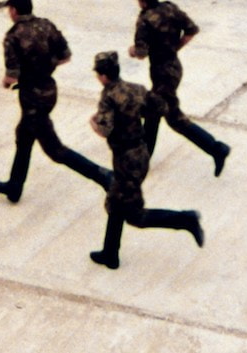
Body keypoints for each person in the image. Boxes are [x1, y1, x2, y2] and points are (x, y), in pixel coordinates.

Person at [0, 0, 110, 203]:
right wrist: (46, 65)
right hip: (49, 91)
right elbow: (65, 56)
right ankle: (15, 186)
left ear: (14, 10)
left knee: (55, 150)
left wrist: (7, 82)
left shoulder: (13, 36)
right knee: (24, 136)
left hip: (31, 97)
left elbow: (11, 77)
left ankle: (102, 176)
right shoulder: (46, 25)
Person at [87, 50, 205, 269]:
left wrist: (94, 122)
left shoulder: (108, 97)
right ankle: (110, 253)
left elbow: (104, 130)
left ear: (103, 75)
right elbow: (159, 107)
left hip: (126, 161)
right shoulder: (135, 89)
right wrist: (134, 116)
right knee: (115, 203)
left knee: (135, 216)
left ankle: (185, 220)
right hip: (140, 153)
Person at [128, 0, 230, 173]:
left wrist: (132, 51)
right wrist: (175, 48)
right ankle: (143, 159)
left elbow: (141, 53)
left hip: (161, 72)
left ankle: (217, 148)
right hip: (173, 67)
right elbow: (192, 30)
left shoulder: (145, 20)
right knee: (152, 111)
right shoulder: (170, 8)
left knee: (174, 119)